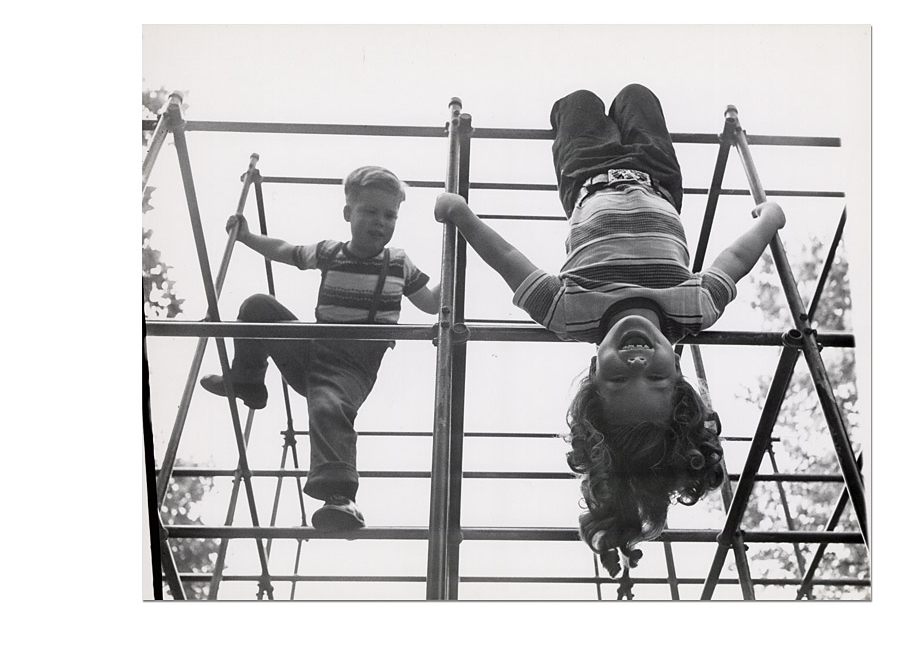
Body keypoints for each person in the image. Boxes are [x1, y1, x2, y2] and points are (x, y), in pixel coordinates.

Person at [433, 85, 785, 575]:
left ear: (595, 373)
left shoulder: (568, 314)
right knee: (639, 99)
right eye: (658, 381)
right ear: (681, 376)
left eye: (619, 381)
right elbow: (737, 259)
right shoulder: (693, 308)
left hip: (586, 178)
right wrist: (769, 220)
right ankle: (631, 103)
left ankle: (581, 108)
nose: (638, 365)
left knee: (577, 105)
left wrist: (463, 216)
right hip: (659, 180)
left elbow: (509, 260)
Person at [201, 166, 441, 532]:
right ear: (349, 213)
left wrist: (457, 266)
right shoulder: (330, 252)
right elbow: (285, 250)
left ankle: (340, 498)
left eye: (389, 215)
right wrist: (246, 237)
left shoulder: (398, 264)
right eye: (370, 211)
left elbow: (430, 303)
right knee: (257, 307)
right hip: (312, 348)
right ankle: (248, 380)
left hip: (352, 367)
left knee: (329, 407)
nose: (380, 222)